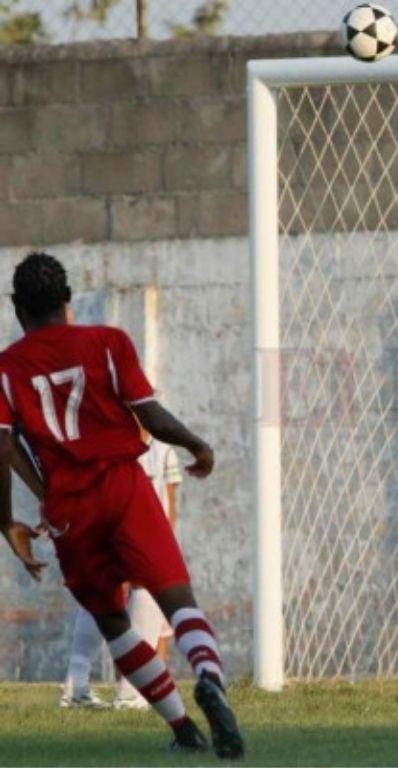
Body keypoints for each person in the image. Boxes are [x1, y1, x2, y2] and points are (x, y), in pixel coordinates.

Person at [0, 253, 243, 758]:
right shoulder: (108, 342)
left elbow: (2, 446)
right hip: (124, 485)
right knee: (177, 601)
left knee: (111, 620)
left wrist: (10, 521)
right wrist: (197, 445)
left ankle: (183, 730)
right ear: (67, 302)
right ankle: (210, 678)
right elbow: (149, 414)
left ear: (16, 308)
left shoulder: (7, 369)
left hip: (69, 506)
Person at [58, 429, 184, 710]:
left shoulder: (162, 452)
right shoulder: (108, 443)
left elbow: (170, 502)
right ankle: (128, 692)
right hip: (118, 528)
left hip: (134, 530)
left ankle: (75, 687)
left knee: (101, 596)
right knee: (139, 590)